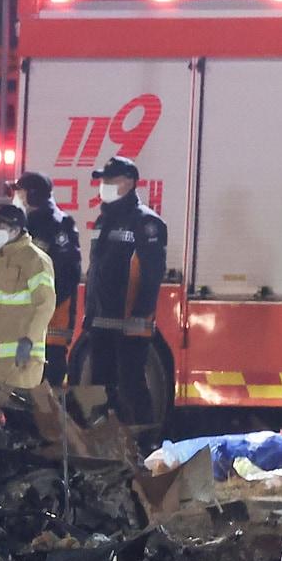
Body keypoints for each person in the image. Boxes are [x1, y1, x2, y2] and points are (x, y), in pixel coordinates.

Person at [83, 156, 166, 425]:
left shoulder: (146, 223)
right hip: (101, 321)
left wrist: (139, 317)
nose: (104, 185)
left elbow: (151, 275)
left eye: (111, 180)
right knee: (100, 389)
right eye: (102, 180)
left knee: (131, 386)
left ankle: (144, 444)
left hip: (130, 323)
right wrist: (90, 313)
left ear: (129, 182)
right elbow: (97, 270)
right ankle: (107, 443)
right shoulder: (102, 221)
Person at [10, 172, 82, 386]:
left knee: (47, 390)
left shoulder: (58, 226)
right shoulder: (24, 225)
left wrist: (41, 306)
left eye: (19, 192)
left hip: (51, 328)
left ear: (32, 196)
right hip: (27, 325)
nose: (15, 197)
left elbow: (67, 275)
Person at [0, 204, 57, 389]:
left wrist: (29, 340)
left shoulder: (35, 259)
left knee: (18, 415)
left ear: (15, 230)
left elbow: (45, 304)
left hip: (22, 360)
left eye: (0, 227)